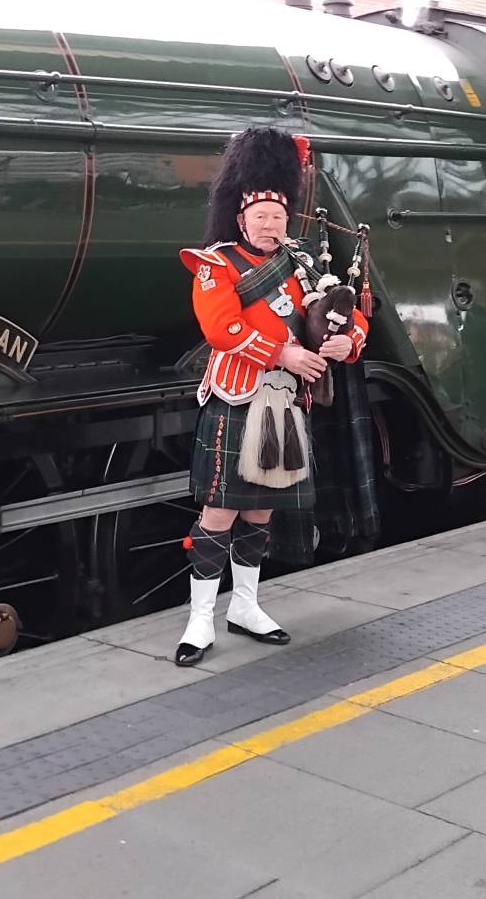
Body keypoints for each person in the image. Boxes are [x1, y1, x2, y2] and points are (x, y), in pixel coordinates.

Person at [174, 127, 368, 666]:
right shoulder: (215, 264)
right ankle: (199, 621)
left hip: (284, 403)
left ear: (287, 220)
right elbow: (221, 329)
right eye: (260, 217)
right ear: (241, 219)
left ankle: (246, 607)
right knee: (218, 512)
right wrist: (284, 353)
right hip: (237, 398)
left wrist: (345, 341)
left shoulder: (303, 265)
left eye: (278, 217)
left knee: (260, 512)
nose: (269, 225)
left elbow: (348, 317)